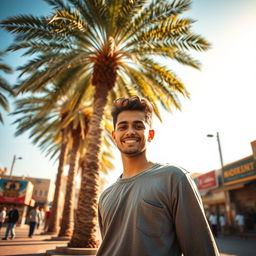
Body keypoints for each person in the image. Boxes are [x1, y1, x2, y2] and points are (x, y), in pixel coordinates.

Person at [97, 96, 219, 256]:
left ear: (151, 134)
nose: (130, 131)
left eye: (138, 126)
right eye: (123, 127)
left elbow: (202, 251)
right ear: (114, 136)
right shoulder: (105, 196)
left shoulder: (174, 178)